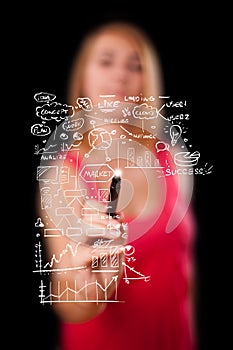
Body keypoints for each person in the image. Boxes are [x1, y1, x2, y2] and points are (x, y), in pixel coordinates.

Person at [36, 20, 198, 350]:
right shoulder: (64, 175)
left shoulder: (173, 157)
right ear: (82, 78)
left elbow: (185, 272)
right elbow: (68, 299)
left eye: (135, 65)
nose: (121, 75)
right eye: (106, 61)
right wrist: (89, 290)